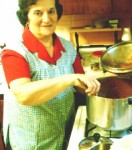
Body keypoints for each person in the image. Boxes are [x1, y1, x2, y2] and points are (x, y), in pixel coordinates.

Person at [1, 0, 101, 149]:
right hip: (32, 140)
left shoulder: (67, 46)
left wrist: (93, 84)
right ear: (26, 17)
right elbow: (23, 94)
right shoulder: (15, 51)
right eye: (38, 13)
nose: (47, 19)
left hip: (66, 131)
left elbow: (80, 85)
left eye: (51, 11)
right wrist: (69, 79)